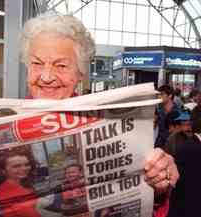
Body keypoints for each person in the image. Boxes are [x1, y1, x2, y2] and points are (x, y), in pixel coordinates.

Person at [19, 13, 179, 217]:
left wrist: (157, 188)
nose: (47, 76)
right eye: (37, 63)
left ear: (80, 73)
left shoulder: (112, 124)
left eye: (61, 65)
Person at [0, 149, 40, 217]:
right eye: (16, 166)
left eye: (27, 164)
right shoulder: (7, 192)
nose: (24, 168)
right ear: (3, 170)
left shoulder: (21, 182)